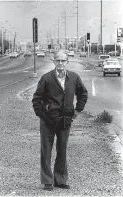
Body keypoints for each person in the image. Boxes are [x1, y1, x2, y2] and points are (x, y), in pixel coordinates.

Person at [32, 50, 88, 191]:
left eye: (63, 61)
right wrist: (42, 115)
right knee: (46, 150)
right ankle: (47, 181)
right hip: (48, 121)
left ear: (67, 62)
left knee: (62, 150)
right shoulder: (46, 78)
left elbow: (83, 94)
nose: (60, 63)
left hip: (65, 120)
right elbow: (36, 99)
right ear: (54, 62)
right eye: (58, 60)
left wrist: (77, 110)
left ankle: (60, 180)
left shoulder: (74, 78)